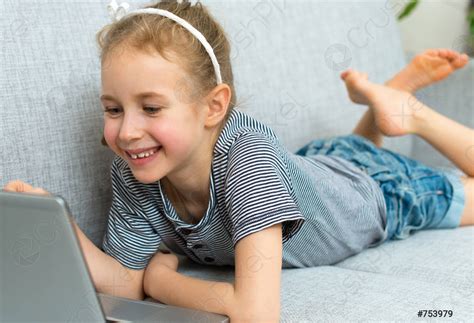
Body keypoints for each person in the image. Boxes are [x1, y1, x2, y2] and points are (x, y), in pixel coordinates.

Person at [3, 1, 473, 321]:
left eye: (150, 108)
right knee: (348, 160)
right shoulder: (136, 169)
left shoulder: (247, 160)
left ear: (213, 107)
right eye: (113, 109)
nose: (125, 132)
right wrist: (59, 224)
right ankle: (385, 102)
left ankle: (410, 114)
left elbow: (255, 313)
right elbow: (125, 283)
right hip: (318, 169)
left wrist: (164, 282)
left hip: (381, 196)